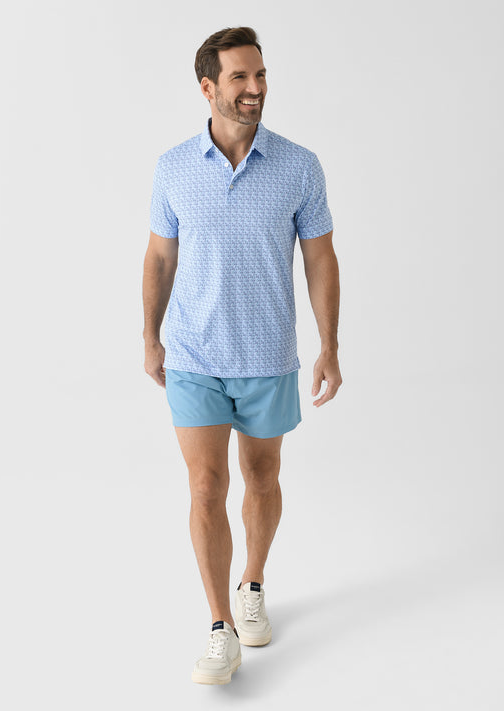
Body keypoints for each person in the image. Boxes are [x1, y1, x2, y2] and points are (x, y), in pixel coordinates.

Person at [142, 26, 342, 685]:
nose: (255, 88)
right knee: (205, 485)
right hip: (194, 355)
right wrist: (150, 335)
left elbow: (319, 258)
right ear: (208, 87)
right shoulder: (173, 167)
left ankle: (252, 582)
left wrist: (329, 344)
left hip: (267, 354)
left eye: (260, 75)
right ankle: (219, 624)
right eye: (240, 77)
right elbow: (159, 256)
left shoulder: (298, 166)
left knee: (261, 476)